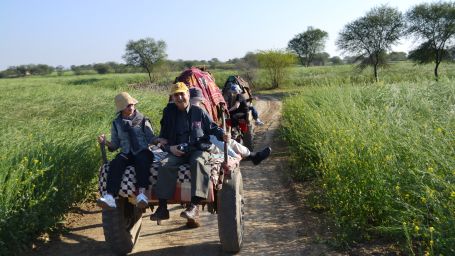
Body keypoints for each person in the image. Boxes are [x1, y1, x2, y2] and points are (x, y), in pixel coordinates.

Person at [151, 82, 229, 221]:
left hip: (198, 149)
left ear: (188, 95)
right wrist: (170, 149)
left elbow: (213, 128)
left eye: (182, 94)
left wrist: (223, 134)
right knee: (164, 165)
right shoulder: (168, 113)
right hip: (177, 150)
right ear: (172, 98)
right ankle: (162, 208)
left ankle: (194, 206)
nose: (179, 97)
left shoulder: (199, 112)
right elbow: (163, 138)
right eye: (176, 95)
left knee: (198, 162)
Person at [97, 92, 161, 210]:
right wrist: (105, 142)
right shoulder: (116, 123)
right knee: (116, 163)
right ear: (121, 109)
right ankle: (110, 196)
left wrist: (159, 140)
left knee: (142, 160)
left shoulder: (143, 119)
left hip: (142, 151)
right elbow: (115, 145)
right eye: (128, 106)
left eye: (132, 104)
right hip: (126, 153)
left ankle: (142, 194)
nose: (131, 107)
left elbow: (150, 138)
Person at [189, 87, 271, 164]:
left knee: (229, 141)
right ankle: (249, 156)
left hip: (206, 139)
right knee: (224, 142)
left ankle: (251, 155)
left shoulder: (239, 96)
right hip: (201, 144)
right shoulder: (190, 114)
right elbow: (208, 135)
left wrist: (221, 134)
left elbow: (212, 127)